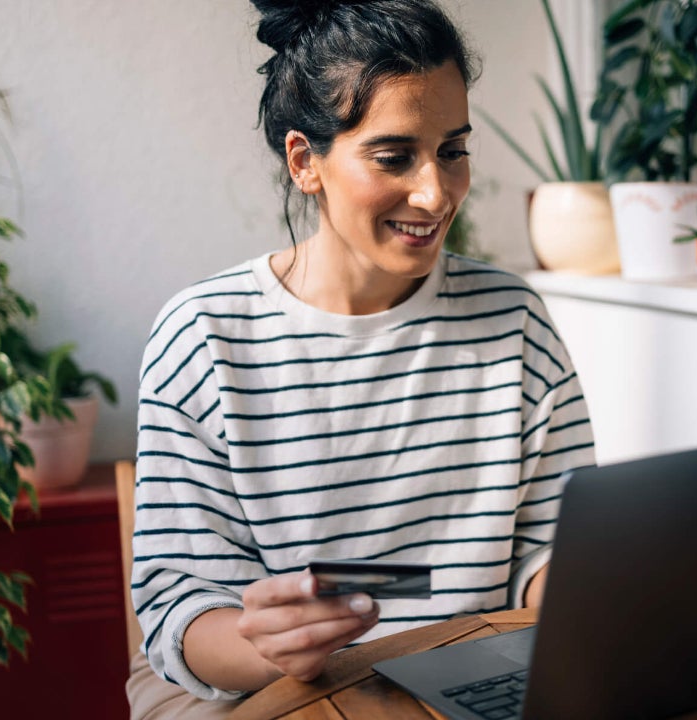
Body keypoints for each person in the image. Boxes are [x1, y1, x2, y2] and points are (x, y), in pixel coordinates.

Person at [125, 1, 595, 716]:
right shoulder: (206, 336)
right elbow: (179, 610)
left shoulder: (513, 319)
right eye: (394, 156)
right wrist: (271, 645)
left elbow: (545, 548)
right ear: (304, 162)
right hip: (272, 687)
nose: (436, 192)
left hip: (472, 675)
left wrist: (594, 588)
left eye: (453, 149)